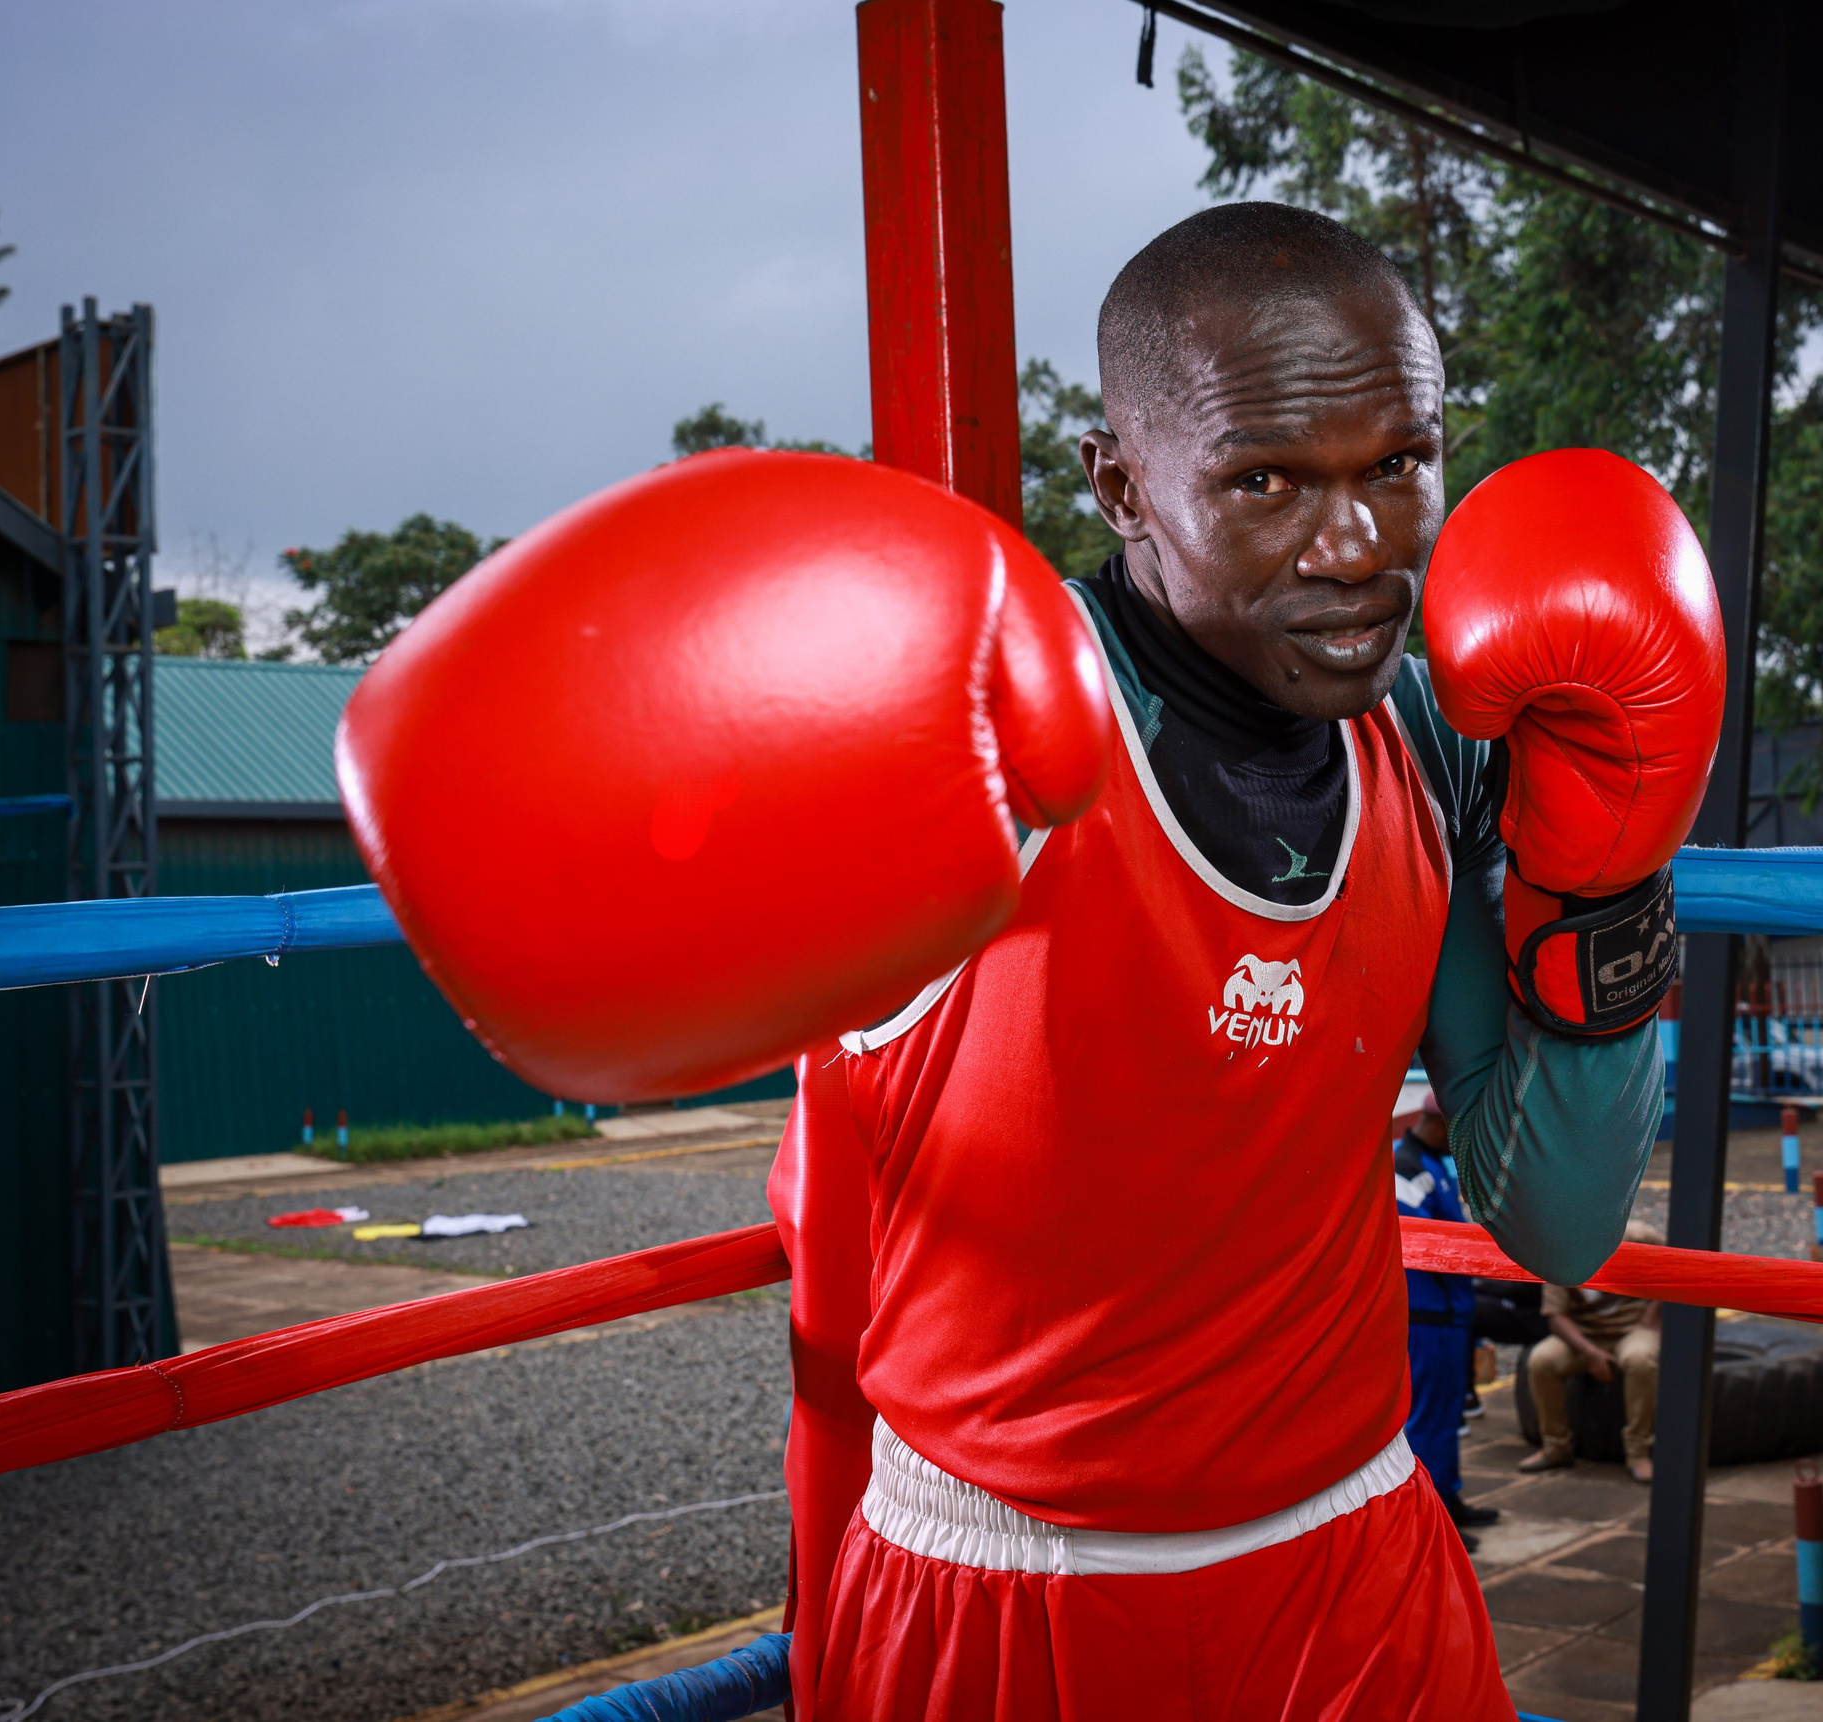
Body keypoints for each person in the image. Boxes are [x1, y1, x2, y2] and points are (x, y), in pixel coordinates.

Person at [350, 199, 1723, 1721]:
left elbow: (1557, 1216)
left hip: (1352, 1553)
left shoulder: (1419, 738)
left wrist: (1602, 875)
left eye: (1400, 464)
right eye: (1266, 480)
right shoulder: (968, 737)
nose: (1359, 547)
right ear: (1122, 483)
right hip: (1009, 1599)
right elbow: (823, 1230)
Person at [1394, 1098, 1502, 1547]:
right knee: (1428, 1419)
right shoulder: (1404, 1167)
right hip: (1427, 1317)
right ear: (1442, 1125)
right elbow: (1427, 1245)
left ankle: (1449, 1501)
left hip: (1451, 1314)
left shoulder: (1434, 1161)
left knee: (1449, 1415)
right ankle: (1429, 1524)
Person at [1517, 1220, 1664, 1483]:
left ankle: (1638, 1451)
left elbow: (1676, 1266)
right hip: (1585, 1332)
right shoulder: (1561, 1251)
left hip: (1634, 1327)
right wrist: (1590, 1352)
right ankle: (1556, 1446)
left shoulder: (1640, 1236)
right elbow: (1555, 1316)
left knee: (1640, 1360)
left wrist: (1653, 1313)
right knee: (1541, 1360)